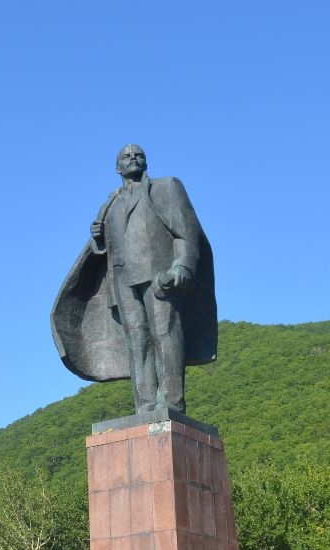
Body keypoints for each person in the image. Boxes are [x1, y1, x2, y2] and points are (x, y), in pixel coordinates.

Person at [51, 144, 216, 414]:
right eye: (127, 157)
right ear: (118, 168)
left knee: (165, 333)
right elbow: (107, 247)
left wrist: (183, 266)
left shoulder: (166, 188)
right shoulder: (111, 203)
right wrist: (98, 240)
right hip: (123, 280)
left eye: (139, 155)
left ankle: (172, 402)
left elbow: (187, 231)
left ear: (146, 163)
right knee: (137, 342)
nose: (133, 158)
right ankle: (145, 405)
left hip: (159, 274)